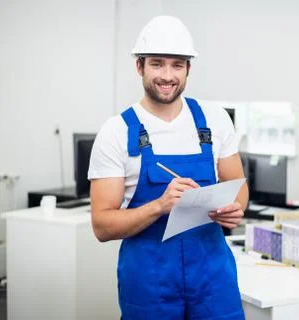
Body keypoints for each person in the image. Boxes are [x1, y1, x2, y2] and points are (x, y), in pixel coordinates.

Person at [88, 15, 247, 319]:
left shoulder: (215, 120)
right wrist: (159, 206)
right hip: (150, 284)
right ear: (140, 66)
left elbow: (239, 189)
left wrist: (233, 210)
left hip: (214, 280)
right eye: (157, 63)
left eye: (177, 65)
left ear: (188, 68)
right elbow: (102, 226)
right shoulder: (116, 131)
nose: (167, 75)